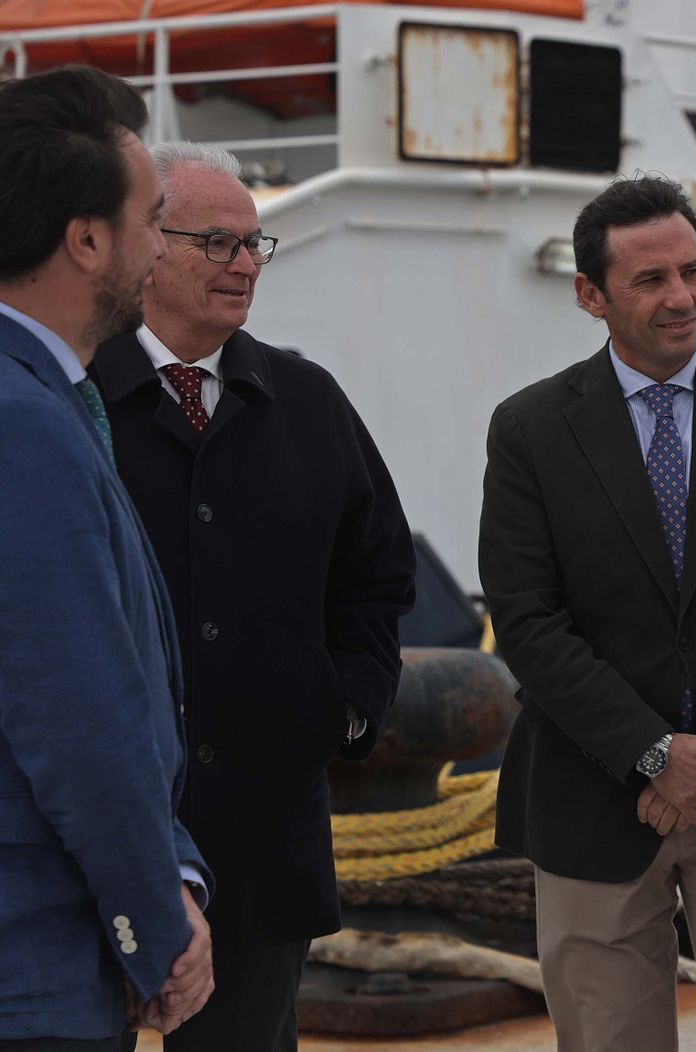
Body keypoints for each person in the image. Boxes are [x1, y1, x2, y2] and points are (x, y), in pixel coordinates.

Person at [479, 175, 696, 1052]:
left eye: (693, 271)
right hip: (592, 799)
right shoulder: (528, 430)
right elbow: (526, 622)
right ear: (590, 295)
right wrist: (651, 753)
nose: (682, 298)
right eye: (650, 280)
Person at [88, 141, 416, 1051]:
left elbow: (378, 572)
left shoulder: (307, 401)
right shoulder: (73, 401)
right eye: (216, 244)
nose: (242, 266)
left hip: (263, 840)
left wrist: (346, 709)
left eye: (254, 246)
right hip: (99, 829)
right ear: (149, 247)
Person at [0, 67, 215, 1047]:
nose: (161, 248)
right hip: (34, 971)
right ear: (87, 239)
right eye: (153, 221)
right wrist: (157, 933)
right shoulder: (26, 427)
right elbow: (80, 719)